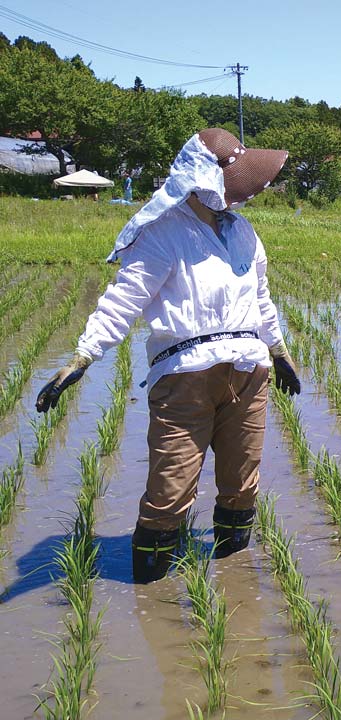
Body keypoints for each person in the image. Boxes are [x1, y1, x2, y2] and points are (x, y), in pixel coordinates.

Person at [34, 128, 300, 583]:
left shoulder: (244, 232)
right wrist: (81, 359)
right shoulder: (163, 233)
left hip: (248, 373)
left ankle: (236, 586)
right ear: (203, 178)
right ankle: (151, 594)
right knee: (170, 491)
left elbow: (261, 299)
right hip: (185, 379)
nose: (245, 194)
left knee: (241, 485)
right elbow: (124, 299)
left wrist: (278, 351)